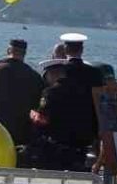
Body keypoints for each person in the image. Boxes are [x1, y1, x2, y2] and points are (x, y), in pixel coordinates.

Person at [41, 32, 103, 160]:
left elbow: (47, 97)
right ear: (82, 49)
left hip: (59, 133)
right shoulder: (95, 73)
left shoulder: (56, 70)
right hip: (86, 132)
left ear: (65, 49)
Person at [0, 39, 44, 146]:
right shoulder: (34, 76)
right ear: (24, 53)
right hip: (22, 133)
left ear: (8, 50)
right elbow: (38, 106)